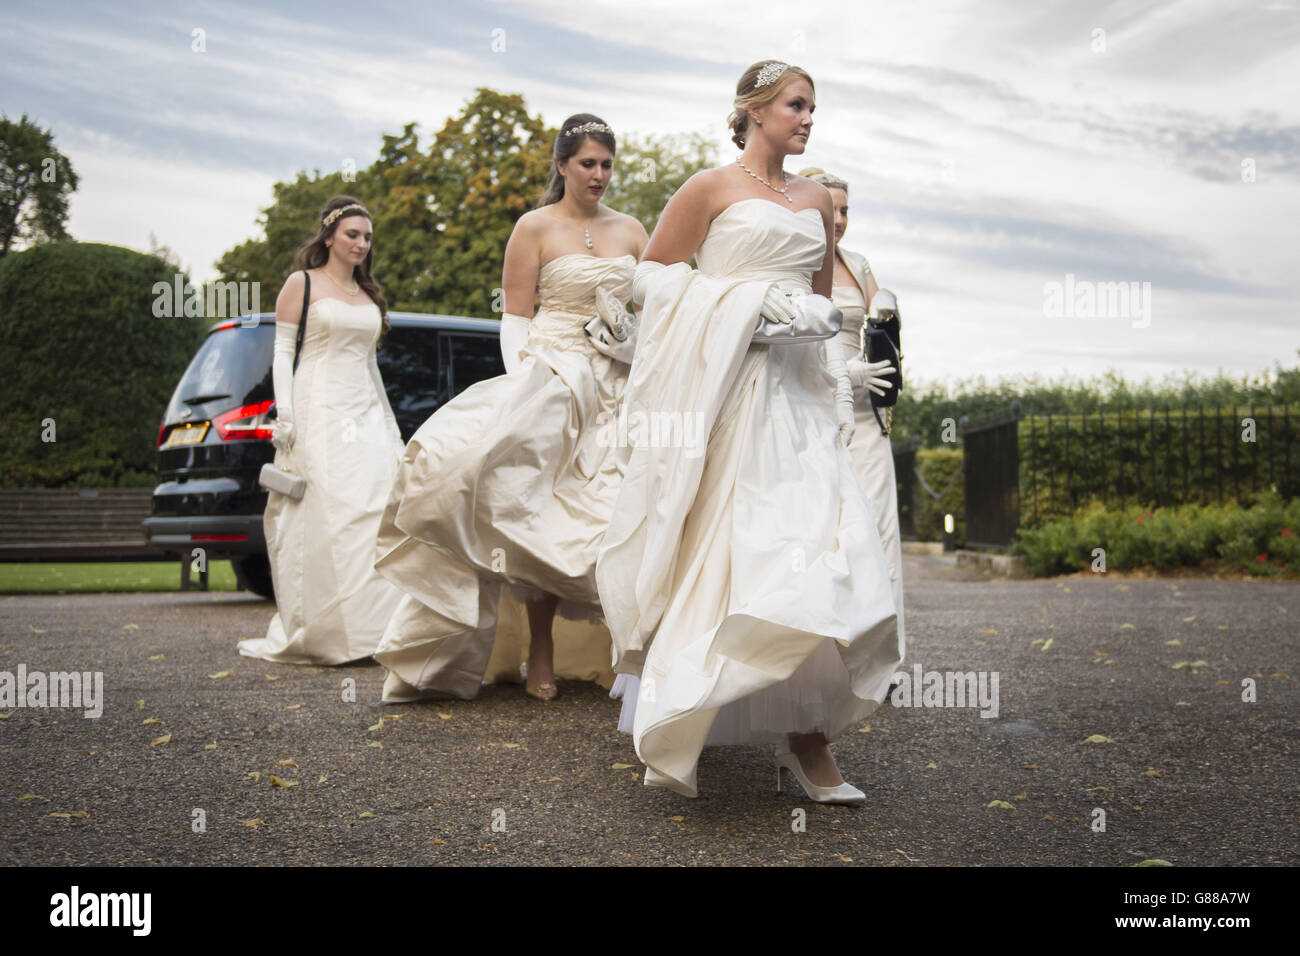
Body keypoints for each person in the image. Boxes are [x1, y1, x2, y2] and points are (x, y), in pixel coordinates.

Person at [597, 61, 902, 803]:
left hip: (800, 403)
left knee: (815, 555)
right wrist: (744, 305)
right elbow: (650, 278)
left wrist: (837, 388)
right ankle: (681, 712)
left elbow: (824, 312)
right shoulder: (710, 188)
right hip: (728, 397)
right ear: (755, 110)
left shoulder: (814, 200)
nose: (807, 119)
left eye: (813, 108)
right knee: (723, 553)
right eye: (797, 106)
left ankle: (809, 740)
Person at [373, 113, 648, 703]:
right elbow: (516, 317)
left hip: (620, 381)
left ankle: (628, 655)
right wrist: (528, 380)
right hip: (550, 372)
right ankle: (538, 647)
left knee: (619, 507)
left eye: (606, 164)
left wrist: (630, 343)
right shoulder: (534, 227)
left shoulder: (632, 231)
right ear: (562, 166)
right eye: (587, 164)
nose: (599, 175)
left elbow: (650, 311)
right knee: (528, 506)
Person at [240, 195, 404, 665]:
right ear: (329, 236)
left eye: (367, 237)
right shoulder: (302, 284)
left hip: (365, 412)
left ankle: (374, 633)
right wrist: (286, 415)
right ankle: (331, 631)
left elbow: (371, 366)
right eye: (353, 234)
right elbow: (281, 353)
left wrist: (390, 425)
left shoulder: (368, 293)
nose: (361, 243)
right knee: (333, 514)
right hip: (319, 407)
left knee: (375, 512)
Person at [798, 165, 906, 656]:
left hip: (867, 415)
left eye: (845, 210)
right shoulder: (795, 262)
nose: (838, 219)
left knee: (881, 528)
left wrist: (888, 321)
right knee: (831, 530)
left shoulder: (859, 264)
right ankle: (827, 654)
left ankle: (881, 653)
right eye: (831, 208)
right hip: (814, 405)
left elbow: (884, 327)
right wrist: (844, 372)